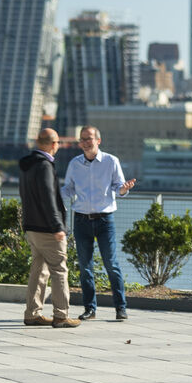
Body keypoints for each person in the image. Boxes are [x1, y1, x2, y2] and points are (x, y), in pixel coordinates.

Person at [61, 125, 136, 321]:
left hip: (104, 220)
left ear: (98, 141)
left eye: (89, 138)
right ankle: (90, 309)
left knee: (111, 264)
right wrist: (52, 194)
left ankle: (120, 307)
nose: (85, 142)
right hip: (81, 220)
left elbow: (119, 186)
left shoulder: (111, 161)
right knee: (85, 267)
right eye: (82, 139)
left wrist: (123, 190)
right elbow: (68, 189)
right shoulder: (74, 164)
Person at [18, 128, 79, 328]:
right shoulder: (44, 166)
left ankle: (32, 313)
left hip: (31, 226)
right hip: (46, 228)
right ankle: (61, 315)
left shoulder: (27, 165)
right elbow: (48, 198)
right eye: (58, 143)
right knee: (59, 269)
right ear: (54, 144)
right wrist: (57, 226)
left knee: (39, 269)